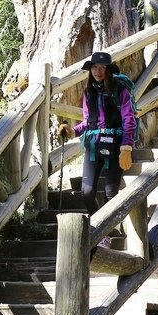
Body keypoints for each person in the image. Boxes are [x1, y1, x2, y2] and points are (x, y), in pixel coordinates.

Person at [58, 51, 137, 215]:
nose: (98, 71)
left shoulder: (121, 91)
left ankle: (105, 231)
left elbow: (129, 120)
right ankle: (100, 230)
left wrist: (126, 147)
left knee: (110, 192)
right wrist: (72, 132)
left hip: (116, 147)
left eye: (102, 68)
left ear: (108, 70)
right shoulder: (89, 93)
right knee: (86, 192)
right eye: (94, 67)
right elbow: (88, 122)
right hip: (94, 146)